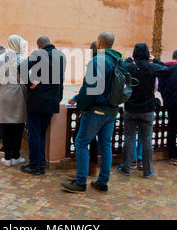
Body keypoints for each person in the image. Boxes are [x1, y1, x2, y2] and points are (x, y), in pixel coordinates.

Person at [61, 32, 123, 194]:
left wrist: (80, 103)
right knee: (106, 145)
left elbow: (90, 88)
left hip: (96, 110)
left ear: (99, 43)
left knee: (81, 142)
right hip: (112, 111)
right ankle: (102, 182)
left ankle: (80, 182)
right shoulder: (118, 60)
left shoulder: (98, 61)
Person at [117, 43, 168, 178]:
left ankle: (126, 168)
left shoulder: (129, 67)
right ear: (147, 54)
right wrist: (155, 59)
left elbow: (118, 68)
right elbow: (167, 69)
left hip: (131, 108)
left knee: (129, 138)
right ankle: (147, 170)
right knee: (146, 139)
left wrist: (128, 60)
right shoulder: (153, 68)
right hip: (147, 109)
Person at [20, 36, 66, 176]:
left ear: (39, 46)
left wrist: (29, 84)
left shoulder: (38, 53)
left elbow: (21, 68)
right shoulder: (61, 56)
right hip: (53, 100)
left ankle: (36, 165)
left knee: (35, 133)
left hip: (38, 100)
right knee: (41, 133)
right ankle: (40, 163)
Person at [0, 35, 27, 167]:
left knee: (5, 126)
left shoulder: (0, 58)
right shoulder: (22, 59)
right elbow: (27, 80)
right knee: (18, 126)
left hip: (3, 94)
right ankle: (16, 156)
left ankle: (7, 157)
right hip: (18, 95)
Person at [67, 41, 100, 179]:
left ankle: (82, 174)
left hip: (91, 109)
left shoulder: (95, 64)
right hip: (106, 110)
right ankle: (94, 170)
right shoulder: (110, 63)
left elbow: (88, 88)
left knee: (79, 139)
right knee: (97, 141)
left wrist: (77, 98)